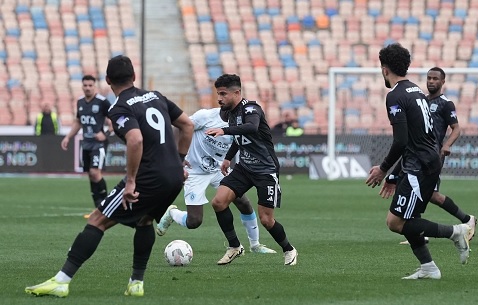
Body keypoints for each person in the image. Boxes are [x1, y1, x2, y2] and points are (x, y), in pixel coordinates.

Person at [25, 55, 194, 297]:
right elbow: (187, 125)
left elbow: (135, 139)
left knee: (97, 220)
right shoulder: (156, 96)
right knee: (145, 220)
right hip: (174, 177)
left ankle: (62, 281)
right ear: (134, 76)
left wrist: (131, 181)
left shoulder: (120, 107)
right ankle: (136, 283)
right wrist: (178, 161)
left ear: (107, 80)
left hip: (149, 177)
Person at [365, 43, 471, 280]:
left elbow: (401, 140)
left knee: (394, 222)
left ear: (385, 70)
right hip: (426, 162)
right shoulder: (415, 90)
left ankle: (456, 231)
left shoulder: (395, 96)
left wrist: (383, 170)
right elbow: (417, 138)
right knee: (409, 218)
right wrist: (394, 175)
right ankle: (429, 268)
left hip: (419, 166)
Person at [205, 74, 297, 265]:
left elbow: (252, 128)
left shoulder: (251, 108)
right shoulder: (230, 112)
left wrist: (225, 130)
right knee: (218, 202)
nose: (219, 98)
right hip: (244, 168)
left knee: (266, 220)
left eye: (223, 94)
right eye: (218, 94)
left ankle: (289, 249)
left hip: (265, 170)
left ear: (237, 92)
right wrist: (228, 158)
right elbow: (241, 139)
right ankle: (234, 246)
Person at [156, 107, 276, 254]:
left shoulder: (239, 122)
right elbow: (180, 127)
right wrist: (176, 156)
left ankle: (255, 244)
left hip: (218, 169)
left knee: (243, 202)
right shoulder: (205, 116)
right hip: (195, 171)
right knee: (194, 221)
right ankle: (173, 213)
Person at [395, 67, 476, 245]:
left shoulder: (446, 104)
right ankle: (416, 231)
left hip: (433, 156)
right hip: (418, 154)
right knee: (421, 191)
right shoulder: (421, 101)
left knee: (431, 194)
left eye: (435, 79)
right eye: (429, 78)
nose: (431, 81)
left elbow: (456, 128)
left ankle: (467, 219)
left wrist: (446, 145)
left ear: (443, 82)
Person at [60, 75, 113, 216]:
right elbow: (78, 121)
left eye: (90, 85)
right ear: (82, 86)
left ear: (94, 86)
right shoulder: (80, 102)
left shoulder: (102, 102)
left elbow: (114, 119)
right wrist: (68, 136)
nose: (88, 88)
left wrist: (106, 134)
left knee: (95, 172)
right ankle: (98, 207)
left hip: (99, 143)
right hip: (86, 143)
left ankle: (106, 205)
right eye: (85, 85)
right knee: (90, 174)